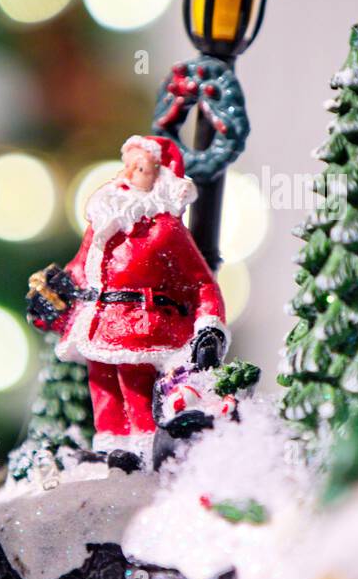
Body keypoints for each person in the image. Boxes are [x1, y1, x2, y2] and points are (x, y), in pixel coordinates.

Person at [26, 135, 226, 465]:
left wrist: (209, 326)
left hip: (141, 322)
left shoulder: (166, 230)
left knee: (133, 380)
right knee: (101, 379)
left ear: (159, 175)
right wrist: (56, 290)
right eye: (129, 165)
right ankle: (110, 444)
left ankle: (144, 445)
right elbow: (82, 266)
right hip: (97, 319)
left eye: (142, 167)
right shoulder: (105, 217)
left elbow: (201, 281)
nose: (132, 173)